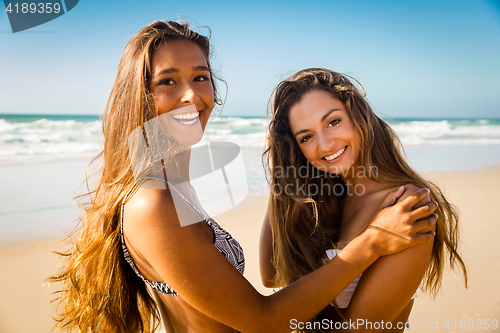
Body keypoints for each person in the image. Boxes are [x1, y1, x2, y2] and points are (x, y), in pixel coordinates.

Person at [48, 22, 438, 333]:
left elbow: (274, 274)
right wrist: (370, 244)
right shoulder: (153, 202)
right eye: (168, 81)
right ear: (141, 94)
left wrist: (285, 170)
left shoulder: (174, 183)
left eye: (200, 77)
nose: (191, 95)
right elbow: (262, 321)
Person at [260, 68, 468, 332]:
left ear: (358, 116)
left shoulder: (405, 205)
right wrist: (281, 174)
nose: (325, 144)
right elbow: (273, 274)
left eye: (333, 122)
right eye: (306, 137)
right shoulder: (326, 199)